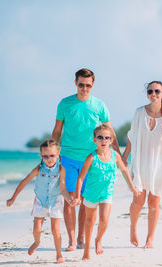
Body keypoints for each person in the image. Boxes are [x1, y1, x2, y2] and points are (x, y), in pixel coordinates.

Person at [52, 68, 121, 251]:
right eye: (81, 85)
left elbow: (109, 131)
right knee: (70, 199)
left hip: (91, 159)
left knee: (84, 200)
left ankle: (82, 237)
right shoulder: (65, 104)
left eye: (88, 86)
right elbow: (57, 130)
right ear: (75, 83)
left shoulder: (99, 105)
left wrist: (117, 153)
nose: (84, 89)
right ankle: (72, 240)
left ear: (92, 85)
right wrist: (53, 153)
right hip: (67, 157)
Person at [122, 81, 162, 248]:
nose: (153, 94)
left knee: (154, 202)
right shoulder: (139, 113)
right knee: (138, 201)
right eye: (150, 91)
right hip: (140, 162)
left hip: (159, 163)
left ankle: (150, 239)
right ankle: (133, 229)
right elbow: (132, 137)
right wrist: (124, 158)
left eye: (156, 91)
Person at [73, 125, 140, 260]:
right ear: (95, 140)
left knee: (104, 221)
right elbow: (80, 177)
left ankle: (98, 240)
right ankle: (86, 250)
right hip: (91, 194)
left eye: (107, 138)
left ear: (111, 140)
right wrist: (77, 196)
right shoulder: (91, 158)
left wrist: (132, 188)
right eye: (100, 137)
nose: (104, 140)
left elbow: (124, 171)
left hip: (106, 193)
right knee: (90, 221)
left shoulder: (115, 156)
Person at [6, 140, 73, 264]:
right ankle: (37, 242)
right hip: (40, 201)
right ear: (41, 156)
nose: (49, 158)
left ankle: (59, 255)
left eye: (52, 155)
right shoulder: (38, 169)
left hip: (56, 201)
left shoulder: (60, 169)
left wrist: (70, 200)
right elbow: (24, 182)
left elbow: (63, 188)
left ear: (58, 154)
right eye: (45, 156)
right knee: (36, 229)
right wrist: (13, 198)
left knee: (55, 230)